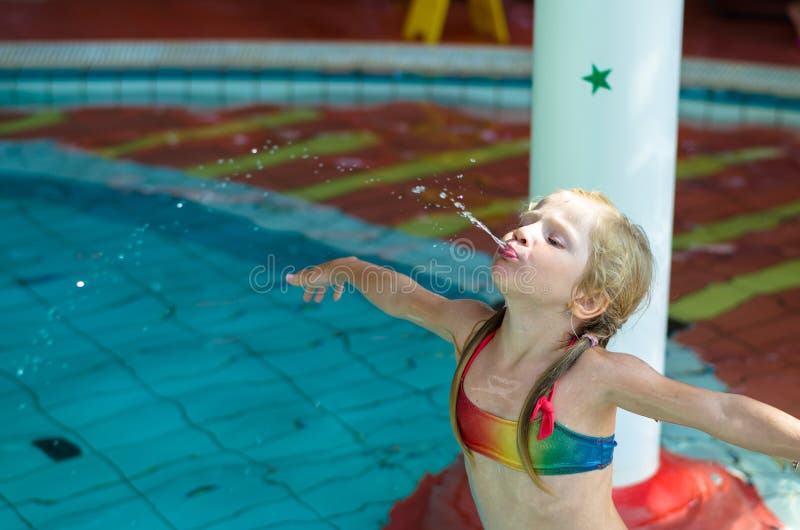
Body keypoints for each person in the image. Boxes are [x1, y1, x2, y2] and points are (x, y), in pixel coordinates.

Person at [286, 188, 800, 530]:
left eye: (554, 238)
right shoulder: (472, 333)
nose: (522, 233)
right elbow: (408, 297)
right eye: (528, 222)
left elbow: (722, 413)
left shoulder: (596, 377)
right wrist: (351, 267)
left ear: (588, 300)